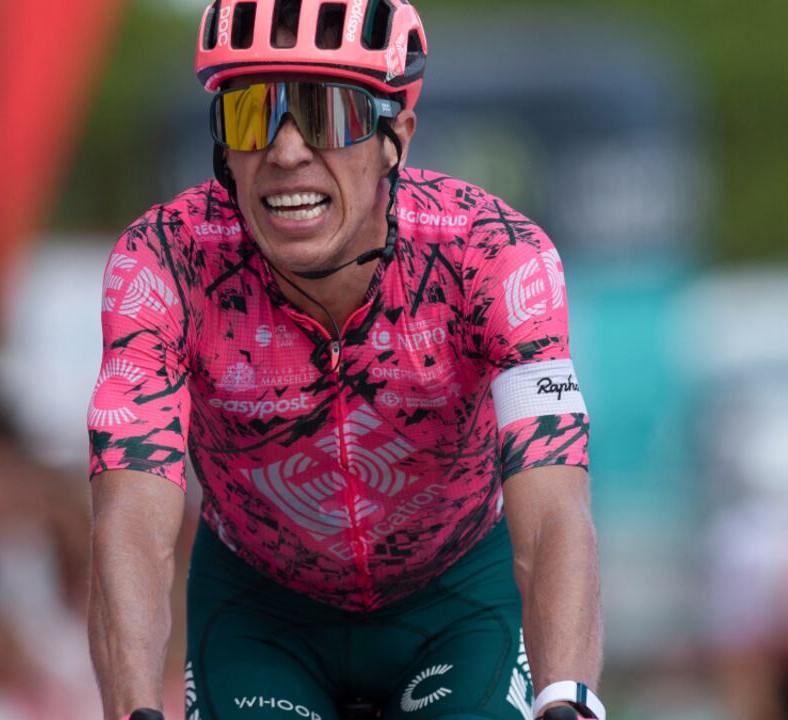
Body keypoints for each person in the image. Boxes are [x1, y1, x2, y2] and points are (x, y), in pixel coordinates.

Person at [86, 2, 604, 719]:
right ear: (223, 150)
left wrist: (567, 700)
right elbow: (133, 519)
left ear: (396, 137)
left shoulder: (493, 257)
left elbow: (554, 513)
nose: (287, 150)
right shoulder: (165, 264)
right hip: (258, 609)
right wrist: (134, 709)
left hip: (457, 597)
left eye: (325, 114)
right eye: (249, 116)